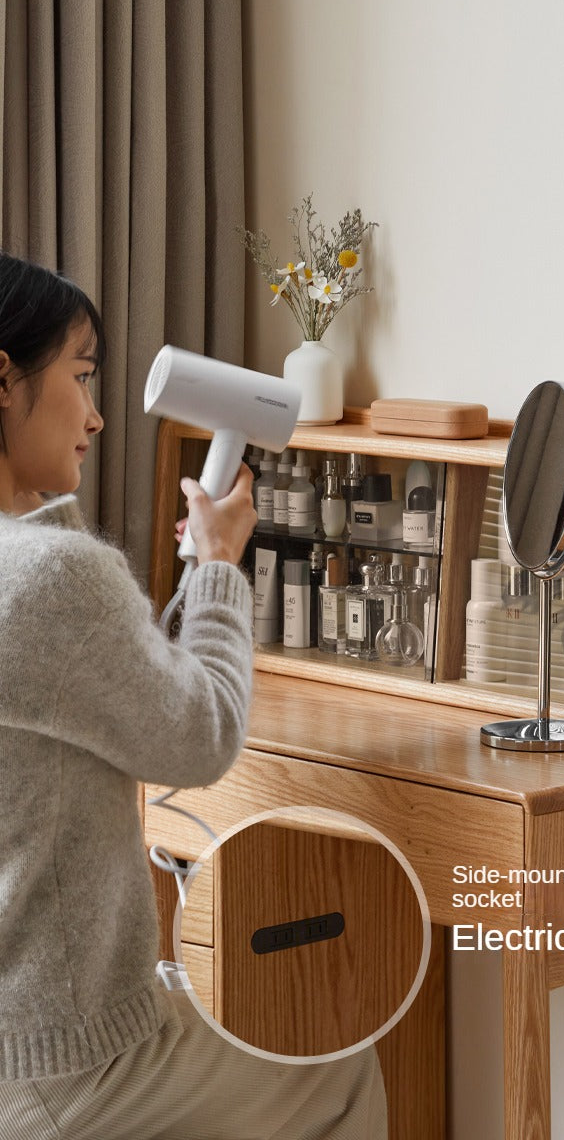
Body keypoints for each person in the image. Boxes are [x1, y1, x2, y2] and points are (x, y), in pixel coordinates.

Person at [0, 252, 386, 1139]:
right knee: (336, 1052)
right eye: (82, 376)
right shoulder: (54, 579)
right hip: (64, 1065)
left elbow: (90, 676)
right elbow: (201, 737)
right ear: (5, 378)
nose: (96, 417)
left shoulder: (39, 570)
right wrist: (218, 566)